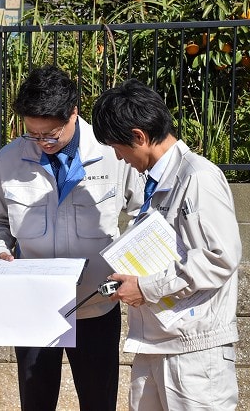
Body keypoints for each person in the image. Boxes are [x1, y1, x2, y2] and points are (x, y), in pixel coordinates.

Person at [0, 65, 144, 411]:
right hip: (36, 305)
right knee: (36, 402)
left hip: (97, 305)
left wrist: (132, 267)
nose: (43, 142)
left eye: (51, 133)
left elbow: (145, 214)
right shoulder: (9, 160)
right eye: (33, 134)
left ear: (73, 114)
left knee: (99, 402)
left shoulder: (112, 153)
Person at [92, 79, 241, 410]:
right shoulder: (159, 182)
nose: (119, 157)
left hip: (194, 352)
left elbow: (219, 257)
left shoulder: (197, 178)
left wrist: (145, 287)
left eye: (118, 147)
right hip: (156, 344)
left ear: (139, 137)